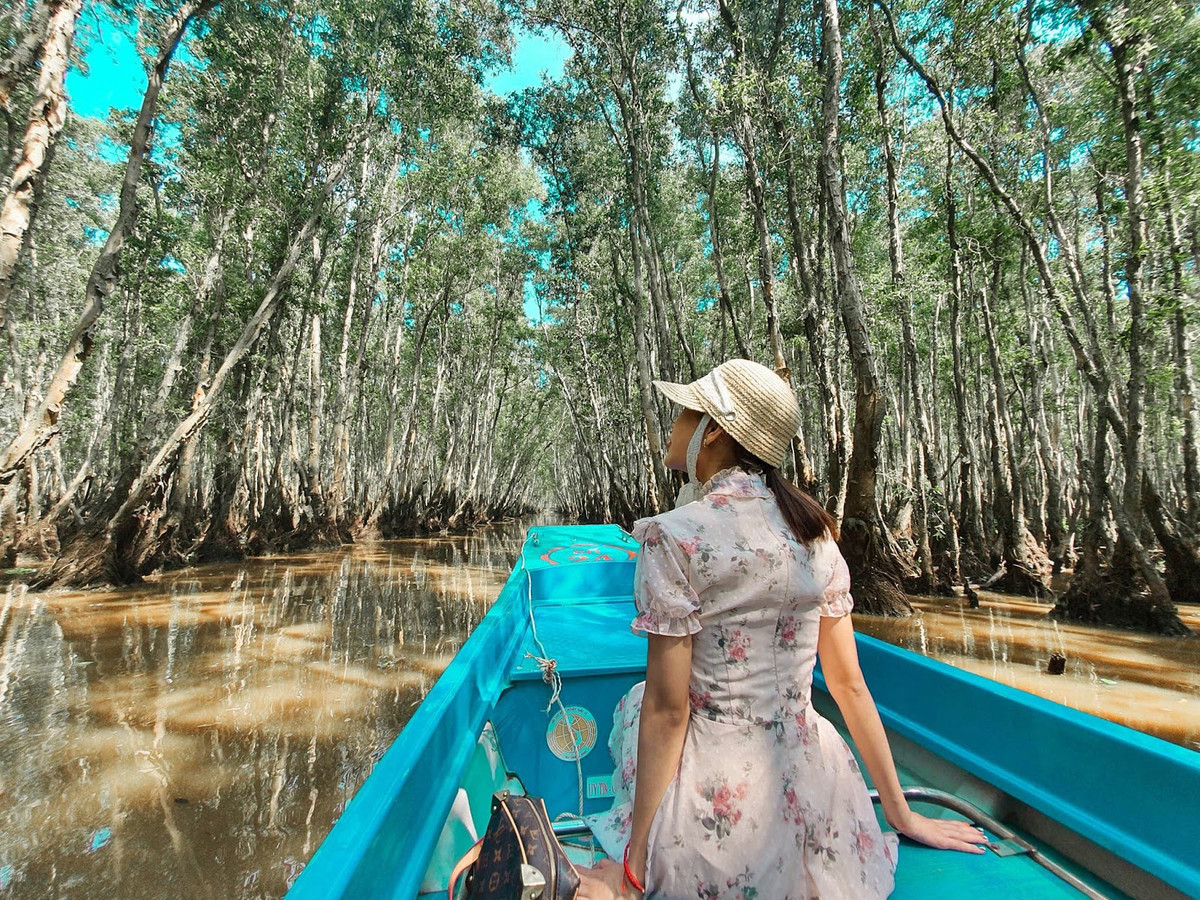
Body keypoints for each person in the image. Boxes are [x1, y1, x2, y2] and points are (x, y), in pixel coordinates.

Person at [577, 359, 986, 900]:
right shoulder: (815, 534)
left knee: (637, 703)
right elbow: (849, 686)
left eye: (685, 411)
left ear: (715, 430)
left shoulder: (671, 537)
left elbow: (668, 712)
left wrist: (636, 864)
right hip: (823, 803)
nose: (675, 422)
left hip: (718, 813)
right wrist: (900, 814)